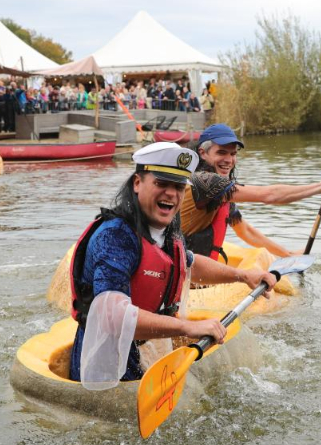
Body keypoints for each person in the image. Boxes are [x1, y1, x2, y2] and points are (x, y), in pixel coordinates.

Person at [68, 142, 276, 388]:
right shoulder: (115, 237)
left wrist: (243, 276)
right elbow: (113, 316)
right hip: (106, 365)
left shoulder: (166, 233)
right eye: (161, 184)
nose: (171, 194)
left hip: (145, 349)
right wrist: (187, 327)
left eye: (178, 187)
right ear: (137, 183)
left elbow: (189, 264)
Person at [180, 124, 321, 262]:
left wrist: (287, 255)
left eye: (233, 153)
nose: (229, 160)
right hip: (183, 274)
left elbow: (245, 231)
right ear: (202, 153)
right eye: (221, 152)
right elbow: (268, 195)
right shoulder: (202, 182)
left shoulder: (221, 191)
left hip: (197, 271)